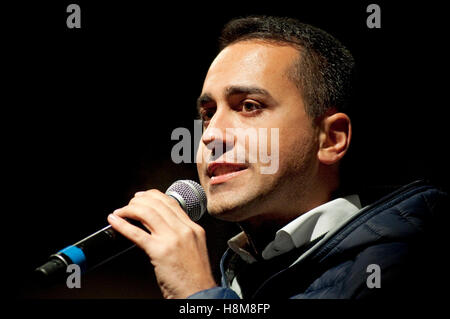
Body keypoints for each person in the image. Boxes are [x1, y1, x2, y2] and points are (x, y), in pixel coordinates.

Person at [107, 16, 448, 299]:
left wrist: (194, 291)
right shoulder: (241, 273)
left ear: (330, 139)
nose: (211, 135)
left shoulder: (404, 264)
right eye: (208, 112)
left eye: (249, 106)